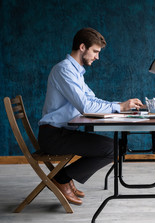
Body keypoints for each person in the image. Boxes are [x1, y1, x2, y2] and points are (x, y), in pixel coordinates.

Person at [38, 28, 143, 205]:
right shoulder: (64, 70)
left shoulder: (76, 72)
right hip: (54, 136)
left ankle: (65, 178)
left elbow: (91, 99)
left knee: (113, 147)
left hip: (63, 133)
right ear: (82, 47)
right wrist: (118, 107)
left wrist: (121, 106)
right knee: (113, 148)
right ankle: (61, 178)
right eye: (95, 51)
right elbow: (86, 107)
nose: (97, 57)